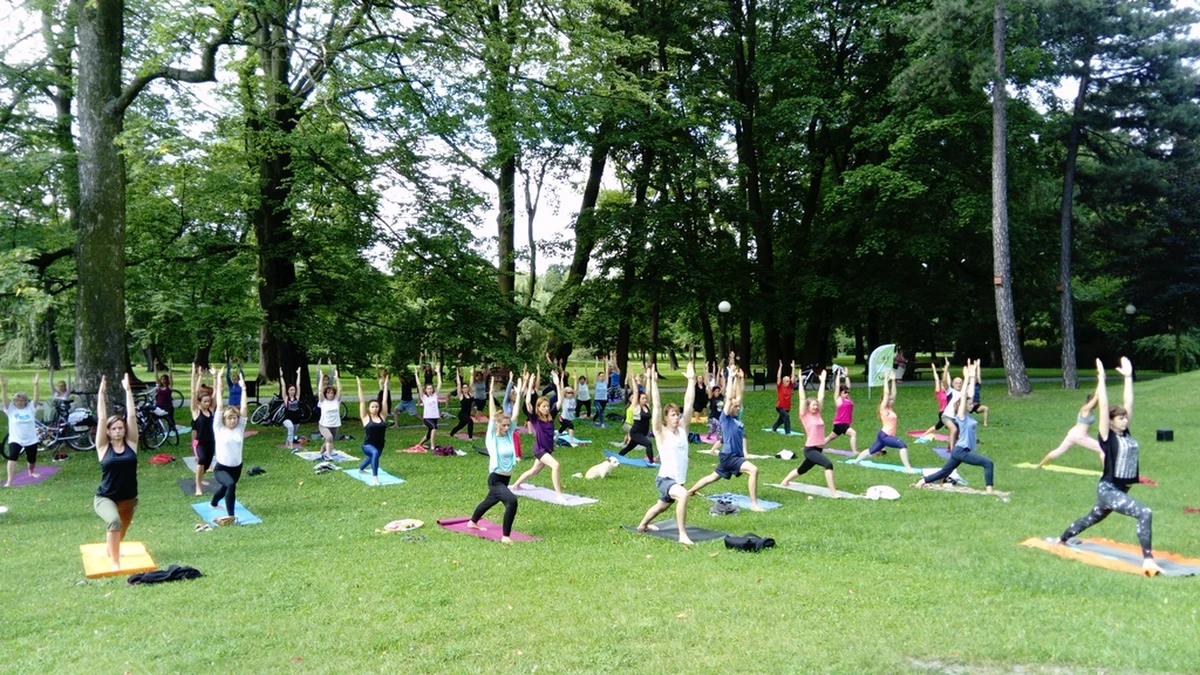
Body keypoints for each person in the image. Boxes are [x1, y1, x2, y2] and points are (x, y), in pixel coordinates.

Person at [1052, 357, 1161, 575]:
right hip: (1109, 489)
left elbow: (1129, 403)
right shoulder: (1107, 436)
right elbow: (1103, 406)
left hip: (1120, 490)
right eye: (1120, 418)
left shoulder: (1126, 432)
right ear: (1111, 421)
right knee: (1145, 512)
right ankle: (1148, 559)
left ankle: (1062, 538)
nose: (1124, 420)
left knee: (1092, 518)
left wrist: (1128, 377)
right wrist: (1101, 378)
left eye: (1124, 418)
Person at [636, 360, 699, 543]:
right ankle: (682, 535)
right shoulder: (661, 433)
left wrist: (691, 380)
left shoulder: (683, 430)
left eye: (678, 415)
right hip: (665, 479)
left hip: (677, 480)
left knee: (660, 507)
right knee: (683, 495)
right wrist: (653, 382)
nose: (677, 417)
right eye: (673, 415)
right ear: (666, 418)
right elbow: (656, 405)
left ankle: (642, 525)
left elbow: (689, 402)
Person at [687, 366, 765, 510]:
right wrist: (729, 377)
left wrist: (739, 379)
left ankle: (690, 491)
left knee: (712, 477)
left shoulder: (736, 417)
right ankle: (754, 504)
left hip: (729, 456)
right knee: (753, 470)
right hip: (730, 456)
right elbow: (729, 397)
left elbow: (739, 396)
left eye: (737, 406)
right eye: (735, 406)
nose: (738, 406)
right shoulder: (726, 417)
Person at [916, 360, 995, 492]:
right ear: (963, 406)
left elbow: (969, 393)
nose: (972, 405)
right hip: (961, 450)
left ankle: (922, 481)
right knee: (988, 463)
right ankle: (990, 490)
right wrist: (966, 379)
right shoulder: (961, 417)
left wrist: (971, 376)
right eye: (969, 404)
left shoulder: (968, 415)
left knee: (944, 472)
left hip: (961, 450)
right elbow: (964, 396)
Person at [93, 374, 139, 570]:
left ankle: (111, 548)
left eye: (121, 428)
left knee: (122, 527)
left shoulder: (132, 444)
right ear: (109, 432)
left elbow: (132, 416)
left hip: (129, 497)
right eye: (114, 429)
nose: (118, 431)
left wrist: (128, 390)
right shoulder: (103, 447)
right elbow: (102, 418)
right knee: (113, 521)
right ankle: (115, 562)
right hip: (106, 496)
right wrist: (101, 393)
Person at [468, 376, 522, 543]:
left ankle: (472, 521)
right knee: (512, 501)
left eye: (508, 425)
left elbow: (516, 414)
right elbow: (492, 415)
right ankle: (505, 536)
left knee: (489, 501)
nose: (507, 427)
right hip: (496, 479)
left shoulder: (508, 435)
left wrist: (519, 394)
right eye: (504, 425)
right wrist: (491, 393)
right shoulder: (492, 437)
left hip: (506, 479)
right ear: (497, 425)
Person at [780, 369, 841, 498]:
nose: (815, 407)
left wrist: (823, 381)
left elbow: (821, 397)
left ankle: (785, 481)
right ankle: (834, 492)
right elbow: (802, 398)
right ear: (808, 407)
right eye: (813, 405)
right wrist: (801, 382)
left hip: (818, 449)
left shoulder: (818, 414)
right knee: (828, 464)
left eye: (816, 405)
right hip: (810, 449)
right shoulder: (805, 415)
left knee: (802, 469)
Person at [512, 369, 566, 502]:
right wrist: (530, 384)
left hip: (548, 449)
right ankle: (559, 494)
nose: (547, 408)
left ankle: (515, 485)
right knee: (555, 465)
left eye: (547, 406)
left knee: (534, 471)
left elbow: (560, 400)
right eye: (544, 407)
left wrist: (557, 384)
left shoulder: (550, 416)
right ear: (539, 408)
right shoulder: (535, 418)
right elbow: (528, 403)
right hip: (540, 449)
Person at [851, 371, 914, 472]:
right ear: (885, 400)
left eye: (892, 400)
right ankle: (908, 468)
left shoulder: (890, 408)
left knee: (871, 450)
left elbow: (893, 393)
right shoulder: (883, 409)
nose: (892, 400)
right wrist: (885, 380)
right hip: (885, 436)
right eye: (890, 400)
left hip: (883, 435)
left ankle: (856, 461)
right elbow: (886, 394)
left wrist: (893, 380)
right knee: (902, 445)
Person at [209, 367, 248, 526]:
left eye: (235, 418)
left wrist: (244, 388)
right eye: (230, 418)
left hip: (237, 467)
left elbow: (244, 408)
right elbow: (219, 405)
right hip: (221, 468)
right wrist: (218, 379)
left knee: (226, 488)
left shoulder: (240, 427)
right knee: (230, 484)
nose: (233, 420)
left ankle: (213, 502)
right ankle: (231, 515)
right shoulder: (219, 428)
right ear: (224, 419)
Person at [1036, 393, 1103, 468]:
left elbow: (1096, 396)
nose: (1097, 404)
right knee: (1102, 448)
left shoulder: (1088, 410)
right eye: (1096, 402)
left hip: (1074, 433)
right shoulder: (1085, 409)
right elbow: (1096, 396)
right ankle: (1107, 471)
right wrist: (1100, 383)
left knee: (1059, 450)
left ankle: (1039, 466)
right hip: (1079, 435)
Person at [2, 373, 41, 487]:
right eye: (17, 400)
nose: (19, 402)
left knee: (32, 459)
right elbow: (4, 399)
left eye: (21, 400)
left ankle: (31, 471)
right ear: (14, 402)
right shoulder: (11, 410)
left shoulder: (30, 408)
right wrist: (4, 387)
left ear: (25, 401)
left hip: (31, 439)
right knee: (12, 457)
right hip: (16, 439)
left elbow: (36, 398)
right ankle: (9, 481)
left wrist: (36, 385)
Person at [356, 374, 389, 485]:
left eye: (376, 406)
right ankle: (375, 477)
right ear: (369, 408)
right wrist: (359, 386)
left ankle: (361, 469)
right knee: (373, 453)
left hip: (380, 445)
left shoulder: (382, 416)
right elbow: (361, 401)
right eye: (373, 407)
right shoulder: (365, 418)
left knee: (371, 457)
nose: (375, 408)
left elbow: (384, 401)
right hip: (367, 445)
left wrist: (385, 386)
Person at [189, 364, 216, 496]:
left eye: (209, 401)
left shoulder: (211, 411)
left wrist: (216, 376)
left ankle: (199, 478)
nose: (208, 403)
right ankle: (198, 488)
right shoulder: (195, 412)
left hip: (211, 442)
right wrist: (197, 376)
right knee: (201, 461)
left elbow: (217, 392)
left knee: (206, 465)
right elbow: (193, 392)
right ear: (199, 402)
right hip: (199, 442)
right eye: (205, 401)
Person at [618, 379, 654, 464]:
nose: (645, 400)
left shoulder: (647, 406)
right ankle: (651, 462)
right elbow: (636, 391)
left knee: (629, 447)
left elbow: (648, 391)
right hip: (635, 433)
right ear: (638, 399)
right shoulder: (636, 407)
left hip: (643, 433)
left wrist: (648, 377)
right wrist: (633, 380)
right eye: (642, 399)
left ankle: (619, 456)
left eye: (645, 398)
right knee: (648, 444)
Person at [916, 359, 952, 441]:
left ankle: (924, 434)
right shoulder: (939, 392)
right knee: (949, 424)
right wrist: (934, 369)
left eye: (944, 384)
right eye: (942, 384)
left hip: (949, 411)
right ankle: (951, 438)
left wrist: (947, 370)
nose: (943, 385)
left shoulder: (948, 392)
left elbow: (948, 381)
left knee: (939, 426)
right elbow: (936, 379)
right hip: (943, 412)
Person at [823, 371, 857, 453]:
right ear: (840, 393)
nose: (847, 394)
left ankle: (814, 446)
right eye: (844, 392)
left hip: (845, 423)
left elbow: (848, 386)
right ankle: (855, 452)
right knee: (853, 434)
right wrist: (837, 376)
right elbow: (837, 386)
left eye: (847, 392)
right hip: (840, 423)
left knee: (830, 437)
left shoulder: (848, 399)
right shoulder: (839, 400)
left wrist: (846, 375)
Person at [316, 362, 344, 461]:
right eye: (329, 393)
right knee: (329, 438)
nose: (331, 394)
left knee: (330, 439)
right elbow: (320, 391)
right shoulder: (323, 401)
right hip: (324, 424)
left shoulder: (337, 400)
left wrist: (337, 378)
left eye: (332, 393)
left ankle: (321, 451)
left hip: (335, 424)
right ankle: (329, 455)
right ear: (326, 394)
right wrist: (321, 378)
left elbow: (340, 389)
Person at [416, 363, 443, 451]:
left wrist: (438, 372)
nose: (430, 390)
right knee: (434, 428)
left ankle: (419, 444)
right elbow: (419, 386)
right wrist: (416, 375)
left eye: (431, 388)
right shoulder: (423, 397)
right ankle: (432, 446)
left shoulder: (435, 395)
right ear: (425, 390)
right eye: (428, 389)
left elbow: (440, 383)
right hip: (427, 418)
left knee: (429, 434)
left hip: (435, 417)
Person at [448, 368, 476, 439]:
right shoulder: (461, 395)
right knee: (470, 422)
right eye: (464, 388)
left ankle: (451, 433)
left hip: (467, 414)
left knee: (460, 426)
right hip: (462, 414)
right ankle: (470, 438)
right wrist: (457, 374)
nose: (466, 388)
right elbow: (458, 384)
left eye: (466, 387)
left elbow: (471, 383)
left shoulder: (470, 394)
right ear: (462, 389)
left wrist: (472, 374)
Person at [769, 361, 795, 435]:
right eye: (786, 381)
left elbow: (792, 377)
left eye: (788, 381)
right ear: (783, 381)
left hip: (787, 408)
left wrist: (793, 367)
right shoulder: (780, 387)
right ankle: (788, 432)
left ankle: (774, 428)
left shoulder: (790, 386)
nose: (788, 382)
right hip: (780, 407)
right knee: (786, 416)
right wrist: (780, 367)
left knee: (781, 420)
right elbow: (778, 377)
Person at [280, 367, 303, 450]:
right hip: (287, 419)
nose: (293, 391)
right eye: (291, 390)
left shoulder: (297, 397)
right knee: (290, 428)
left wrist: (298, 373)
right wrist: (281, 376)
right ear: (288, 391)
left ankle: (287, 441)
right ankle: (291, 444)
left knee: (292, 432)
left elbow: (298, 384)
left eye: (293, 390)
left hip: (296, 419)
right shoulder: (286, 398)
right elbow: (283, 386)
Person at [558, 377, 578, 444]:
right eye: (568, 393)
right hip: (563, 418)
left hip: (569, 418)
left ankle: (556, 437)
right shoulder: (564, 399)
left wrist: (575, 379)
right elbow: (561, 389)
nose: (570, 394)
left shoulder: (573, 399)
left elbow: (575, 389)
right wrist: (561, 379)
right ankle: (571, 441)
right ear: (565, 394)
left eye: (571, 393)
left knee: (563, 428)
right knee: (571, 426)